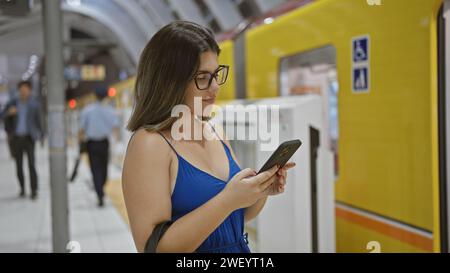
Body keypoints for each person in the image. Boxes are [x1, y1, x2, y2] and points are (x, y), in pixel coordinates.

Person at [122, 21, 296, 253]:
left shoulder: (215, 132)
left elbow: (236, 216)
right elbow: (155, 249)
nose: (215, 87)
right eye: (203, 77)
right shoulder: (150, 144)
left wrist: (260, 191)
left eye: (216, 74)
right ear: (170, 80)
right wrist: (228, 200)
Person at [1, 81, 43, 199]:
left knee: (31, 164)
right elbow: (2, 115)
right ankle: (22, 188)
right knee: (18, 165)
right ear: (19, 90)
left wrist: (41, 135)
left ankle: (34, 190)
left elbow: (39, 120)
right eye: (21, 89)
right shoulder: (12, 103)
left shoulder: (34, 104)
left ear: (30, 90)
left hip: (29, 138)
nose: (23, 92)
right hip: (16, 138)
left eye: (26, 89)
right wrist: (9, 113)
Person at [79, 87, 120, 207]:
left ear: (95, 96)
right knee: (104, 169)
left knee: (95, 169)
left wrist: (79, 143)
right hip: (104, 143)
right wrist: (116, 142)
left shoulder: (88, 110)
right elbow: (116, 128)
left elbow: (81, 129)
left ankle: (99, 192)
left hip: (91, 144)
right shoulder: (110, 110)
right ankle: (100, 190)